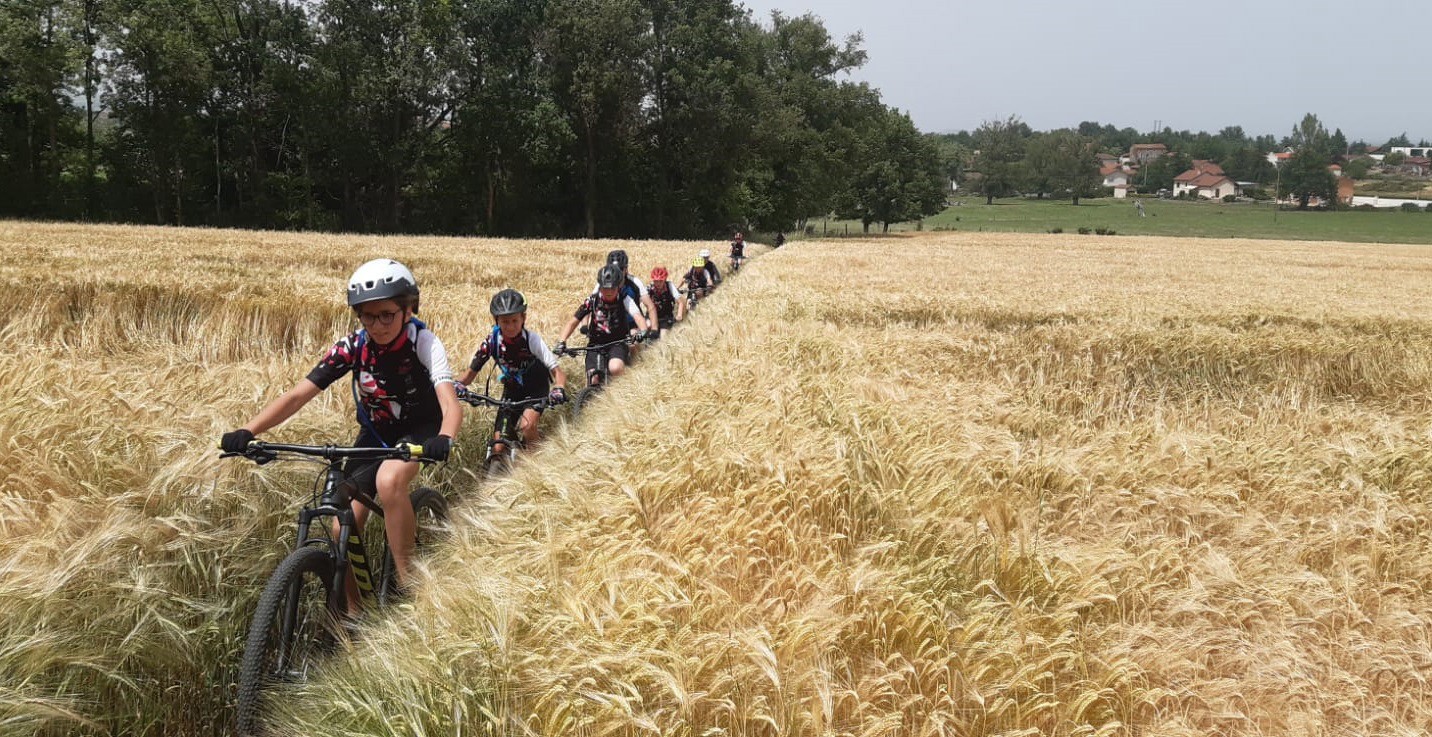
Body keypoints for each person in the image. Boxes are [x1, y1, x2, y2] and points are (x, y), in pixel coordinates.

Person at [220, 258, 462, 602]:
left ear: (408, 310)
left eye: (386, 315)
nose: (376, 325)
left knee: (390, 480)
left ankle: (410, 587)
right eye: (367, 315)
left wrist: (446, 437)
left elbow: (450, 403)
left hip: (422, 428)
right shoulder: (353, 347)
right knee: (340, 525)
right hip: (375, 434)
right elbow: (297, 395)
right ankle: (354, 613)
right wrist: (248, 430)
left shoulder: (424, 343)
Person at [454, 288, 568, 450]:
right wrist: (454, 385)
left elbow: (558, 373)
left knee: (527, 427)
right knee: (498, 446)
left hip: (536, 388)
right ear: (496, 321)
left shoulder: (532, 340)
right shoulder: (492, 342)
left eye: (514, 320)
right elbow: (470, 374)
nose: (510, 327)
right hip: (512, 390)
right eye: (505, 322)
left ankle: (536, 464)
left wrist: (559, 388)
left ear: (523, 318)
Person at [556, 264, 649, 386]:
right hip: (595, 344)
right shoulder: (592, 301)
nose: (609, 292)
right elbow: (573, 322)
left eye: (612, 288)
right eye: (605, 288)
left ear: (619, 287)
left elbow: (638, 317)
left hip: (617, 343)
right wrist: (561, 342)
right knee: (592, 379)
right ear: (600, 287)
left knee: (615, 368)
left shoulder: (625, 299)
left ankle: (622, 393)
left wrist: (642, 331)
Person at [647, 266, 685, 338]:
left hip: (666, 317)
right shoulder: (649, 287)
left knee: (663, 337)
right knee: (647, 327)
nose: (658, 284)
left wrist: (679, 315)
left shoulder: (669, 286)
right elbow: (641, 299)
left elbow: (680, 302)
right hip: (652, 316)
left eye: (660, 281)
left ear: (664, 279)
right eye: (655, 281)